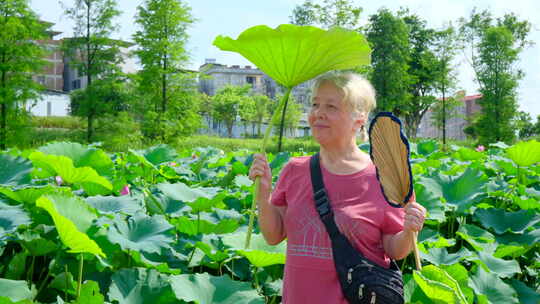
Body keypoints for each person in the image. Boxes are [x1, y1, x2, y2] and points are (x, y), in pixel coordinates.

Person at [248, 71, 427, 304]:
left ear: (359, 118)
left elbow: (395, 249)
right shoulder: (294, 170)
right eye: (315, 104)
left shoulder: (385, 176)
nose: (318, 114)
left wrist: (409, 230)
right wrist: (263, 195)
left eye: (331, 107)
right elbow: (273, 235)